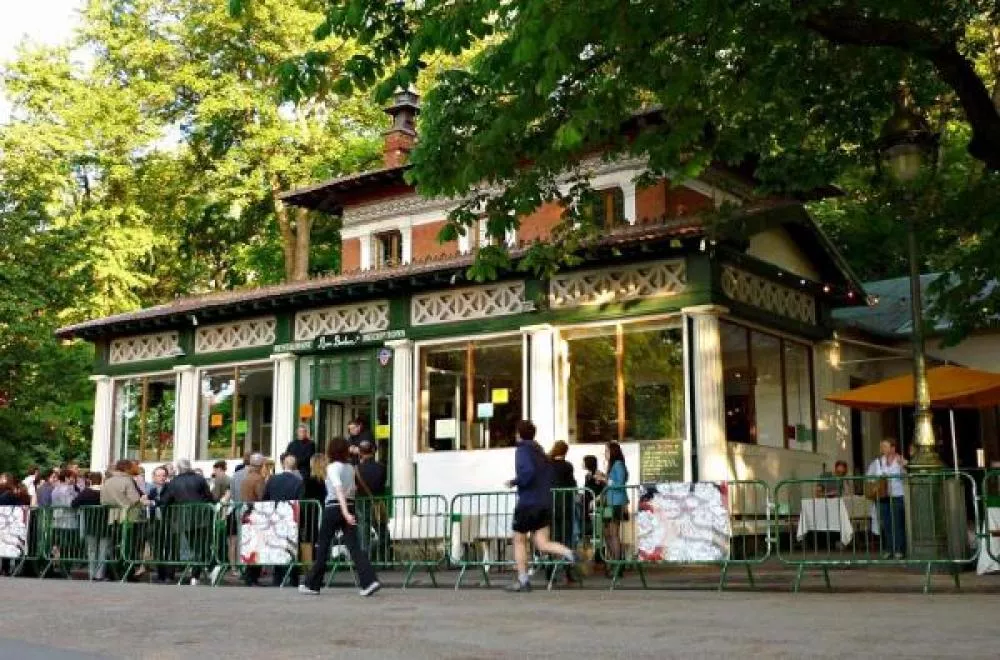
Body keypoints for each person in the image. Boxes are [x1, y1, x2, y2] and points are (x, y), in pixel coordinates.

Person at [299, 437, 381, 597]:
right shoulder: (350, 468)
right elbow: (353, 489)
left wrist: (344, 512)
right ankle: (369, 580)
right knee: (354, 547)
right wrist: (348, 510)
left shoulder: (331, 468)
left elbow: (338, 489)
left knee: (323, 546)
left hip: (334, 508)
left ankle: (313, 584)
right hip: (349, 504)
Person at [503, 421, 577, 593]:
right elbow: (548, 475)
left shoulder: (523, 450)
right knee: (542, 542)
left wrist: (515, 481)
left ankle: (523, 580)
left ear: (519, 434)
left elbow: (527, 472)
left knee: (519, 540)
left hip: (528, 502)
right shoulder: (541, 452)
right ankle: (568, 552)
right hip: (544, 502)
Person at [160, 458, 215, 585]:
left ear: (179, 468)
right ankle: (196, 575)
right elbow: (209, 497)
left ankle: (195, 574)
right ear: (189, 467)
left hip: (183, 518)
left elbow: (165, 500)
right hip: (201, 517)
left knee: (194, 547)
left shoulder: (174, 482)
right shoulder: (200, 479)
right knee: (200, 547)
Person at [263, 454, 305, 586]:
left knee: (277, 546)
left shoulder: (273, 480)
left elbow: (265, 498)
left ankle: (278, 577)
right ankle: (293, 578)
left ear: (283, 465)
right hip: (292, 518)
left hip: (275, 517)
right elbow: (301, 502)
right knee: (293, 547)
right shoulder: (298, 482)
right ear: (295, 466)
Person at [101, 460, 143, 581]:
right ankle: (127, 573)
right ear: (127, 468)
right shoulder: (127, 480)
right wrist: (142, 501)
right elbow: (135, 498)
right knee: (128, 546)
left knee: (114, 546)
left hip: (111, 517)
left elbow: (103, 500)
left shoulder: (107, 481)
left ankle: (112, 572)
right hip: (128, 517)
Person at [867, 439, 907, 559]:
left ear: (893, 448)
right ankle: (889, 549)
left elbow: (905, 477)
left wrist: (903, 466)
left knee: (897, 523)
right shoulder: (878, 462)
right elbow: (869, 477)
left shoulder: (900, 460)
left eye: (885, 446)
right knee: (887, 524)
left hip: (897, 495)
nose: (882, 449)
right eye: (881, 446)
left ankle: (899, 549)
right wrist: (877, 481)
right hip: (883, 496)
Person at [595, 442, 629, 567]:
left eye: (607, 451)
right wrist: (604, 477)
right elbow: (613, 481)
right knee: (607, 532)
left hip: (616, 502)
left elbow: (619, 484)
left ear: (613, 452)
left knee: (613, 533)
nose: (605, 453)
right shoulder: (613, 465)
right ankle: (613, 560)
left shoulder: (618, 464)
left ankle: (617, 563)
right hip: (609, 503)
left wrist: (604, 479)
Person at [355, 440, 390, 561]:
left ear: (360, 453)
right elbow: (382, 484)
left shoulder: (357, 469)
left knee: (363, 532)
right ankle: (385, 558)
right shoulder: (381, 468)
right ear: (373, 451)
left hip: (362, 502)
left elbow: (355, 487)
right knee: (382, 530)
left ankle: (366, 560)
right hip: (378, 502)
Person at [72, 473, 109, 581]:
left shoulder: (86, 492)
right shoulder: (106, 491)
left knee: (91, 550)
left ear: (90, 481)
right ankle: (100, 574)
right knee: (103, 551)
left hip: (90, 523)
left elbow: (74, 503)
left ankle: (91, 573)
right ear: (101, 480)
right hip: (105, 524)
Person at [240, 454, 267, 586]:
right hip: (256, 514)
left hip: (246, 514)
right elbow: (261, 497)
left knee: (250, 546)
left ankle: (248, 576)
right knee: (257, 547)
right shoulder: (258, 479)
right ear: (260, 466)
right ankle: (252, 577)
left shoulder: (246, 479)